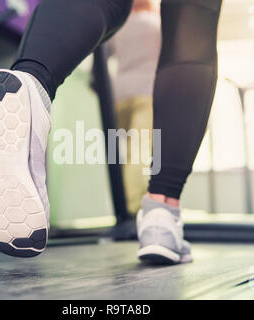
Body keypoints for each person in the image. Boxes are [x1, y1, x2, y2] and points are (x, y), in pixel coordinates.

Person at [0, 0, 222, 264]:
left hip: (122, 93)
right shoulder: (149, 23)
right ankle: (162, 214)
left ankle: (32, 84)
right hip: (145, 92)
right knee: (193, 19)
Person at [109, 0, 160, 216]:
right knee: (139, 151)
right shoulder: (156, 24)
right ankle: (133, 209)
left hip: (119, 96)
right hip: (146, 92)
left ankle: (122, 204)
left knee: (123, 154)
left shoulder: (118, 27)